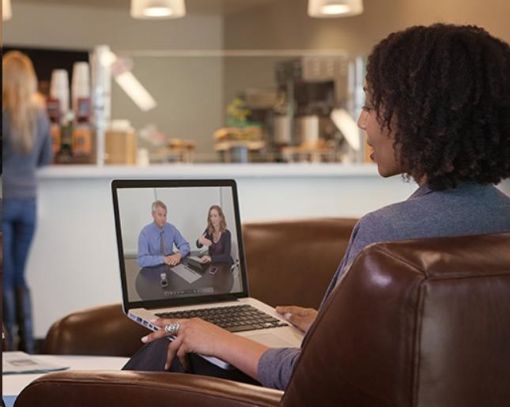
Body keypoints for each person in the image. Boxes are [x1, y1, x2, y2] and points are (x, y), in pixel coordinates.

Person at [124, 24, 510, 390]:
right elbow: (419, 351)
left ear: (421, 117)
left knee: (168, 348)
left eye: (372, 105)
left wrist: (216, 339)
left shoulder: (387, 234)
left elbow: (313, 377)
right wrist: (326, 328)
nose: (361, 121)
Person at [2, 51, 53, 353]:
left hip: (4, 200)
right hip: (29, 203)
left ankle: (8, 344)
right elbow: (46, 158)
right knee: (19, 275)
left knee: (5, 276)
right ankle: (29, 345)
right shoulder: (40, 113)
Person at [137, 200, 190, 268]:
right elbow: (142, 260)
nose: (163, 218)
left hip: (170, 265)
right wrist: (163, 259)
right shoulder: (145, 233)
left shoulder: (171, 228)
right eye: (160, 215)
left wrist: (179, 255)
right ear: (153, 214)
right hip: (153, 268)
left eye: (165, 215)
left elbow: (185, 245)